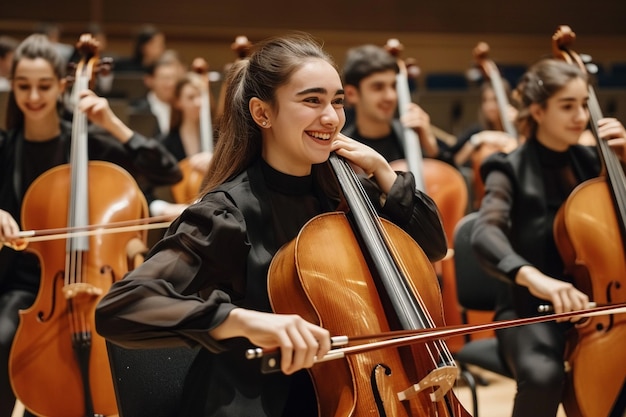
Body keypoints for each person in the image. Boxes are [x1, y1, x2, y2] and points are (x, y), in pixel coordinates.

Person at [95, 32, 448, 417]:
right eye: (312, 100)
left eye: (337, 101)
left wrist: (382, 171)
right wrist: (239, 320)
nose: (331, 117)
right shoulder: (226, 213)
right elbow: (122, 306)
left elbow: (431, 248)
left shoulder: (346, 195)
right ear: (263, 113)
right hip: (258, 402)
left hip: (354, 391)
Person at [0, 33, 182, 417]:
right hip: (27, 287)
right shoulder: (6, 148)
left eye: (44, 86)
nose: (34, 96)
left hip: (97, 281)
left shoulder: (86, 141)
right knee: (1, 339)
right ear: (12, 86)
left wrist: (110, 122)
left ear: (62, 85)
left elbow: (165, 169)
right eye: (24, 86)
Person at [471, 58, 626, 417]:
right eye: (567, 106)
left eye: (584, 105)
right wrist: (536, 279)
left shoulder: (597, 163)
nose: (580, 116)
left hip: (603, 306)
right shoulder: (506, 168)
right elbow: (485, 232)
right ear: (538, 111)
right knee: (544, 375)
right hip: (532, 309)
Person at [341, 44, 451, 167]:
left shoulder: (414, 138)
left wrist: (432, 150)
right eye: (378, 87)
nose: (391, 96)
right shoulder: (342, 150)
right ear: (351, 94)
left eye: (394, 86)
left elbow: (452, 182)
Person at [149, 71, 213, 217]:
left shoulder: (219, 141)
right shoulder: (164, 144)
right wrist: (167, 209)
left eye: (201, 96)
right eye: (191, 97)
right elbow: (147, 192)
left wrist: (216, 161)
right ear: (178, 102)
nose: (198, 103)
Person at [130, 50, 185, 137]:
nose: (170, 84)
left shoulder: (183, 108)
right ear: (150, 81)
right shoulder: (136, 110)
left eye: (173, 78)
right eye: (165, 78)